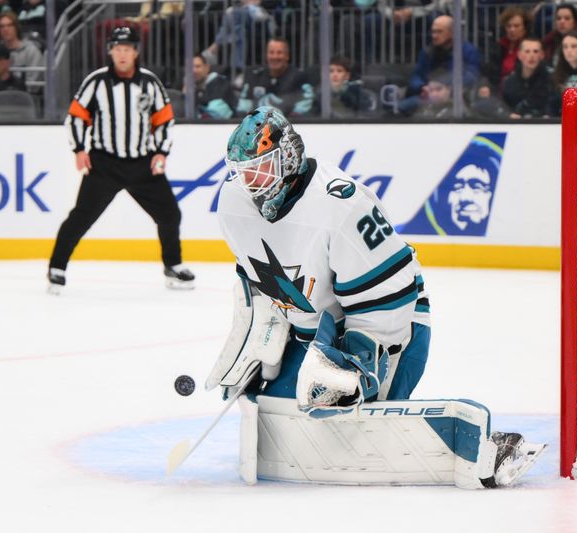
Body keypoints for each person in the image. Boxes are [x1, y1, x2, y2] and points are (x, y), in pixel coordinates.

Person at [206, 107, 544, 487]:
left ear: (287, 157)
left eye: (260, 167)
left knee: (342, 420)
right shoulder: (233, 203)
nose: (249, 180)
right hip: (312, 334)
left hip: (393, 329)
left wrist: (359, 362)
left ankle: (485, 444)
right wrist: (259, 346)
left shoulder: (342, 204)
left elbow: (390, 296)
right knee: (281, 416)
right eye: (242, 171)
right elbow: (255, 282)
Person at [48, 27, 194, 293]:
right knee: (81, 217)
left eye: (127, 49)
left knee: (170, 214)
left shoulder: (150, 83)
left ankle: (173, 265)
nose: (122, 54)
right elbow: (76, 116)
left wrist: (161, 151)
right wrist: (79, 149)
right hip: (104, 164)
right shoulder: (97, 82)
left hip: (143, 163)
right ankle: (57, 267)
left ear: (136, 52)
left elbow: (164, 120)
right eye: (117, 48)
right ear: (111, 51)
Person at [400, 15, 481, 115]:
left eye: (439, 32)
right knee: (401, 108)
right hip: (428, 96)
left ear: (452, 33)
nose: (434, 36)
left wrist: (447, 89)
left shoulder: (468, 51)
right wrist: (423, 87)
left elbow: (472, 76)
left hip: (457, 98)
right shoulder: (427, 52)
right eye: (433, 31)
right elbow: (417, 76)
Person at [236, 37, 314, 117]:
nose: (275, 57)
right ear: (267, 55)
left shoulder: (300, 78)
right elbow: (242, 108)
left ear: (287, 56)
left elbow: (304, 107)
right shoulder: (254, 76)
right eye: (271, 52)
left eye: (279, 53)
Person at [501, 37, 554, 118]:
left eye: (535, 51)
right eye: (527, 51)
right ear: (519, 55)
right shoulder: (510, 82)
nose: (531, 55)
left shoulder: (551, 79)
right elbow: (504, 106)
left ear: (542, 55)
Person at [0, 11, 43, 90]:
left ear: (16, 27)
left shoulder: (31, 50)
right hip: (0, 97)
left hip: (26, 98)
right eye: (2, 26)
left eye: (9, 25)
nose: (5, 29)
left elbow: (34, 83)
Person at [486, 6, 531, 87]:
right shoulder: (498, 46)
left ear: (525, 28)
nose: (512, 30)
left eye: (516, 26)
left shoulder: (532, 48)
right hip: (498, 91)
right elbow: (490, 73)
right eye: (508, 26)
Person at [189, 52, 235, 120]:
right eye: (191, 67)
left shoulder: (219, 82)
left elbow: (212, 108)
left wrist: (192, 94)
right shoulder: (186, 85)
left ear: (207, 67)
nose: (194, 70)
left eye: (198, 66)